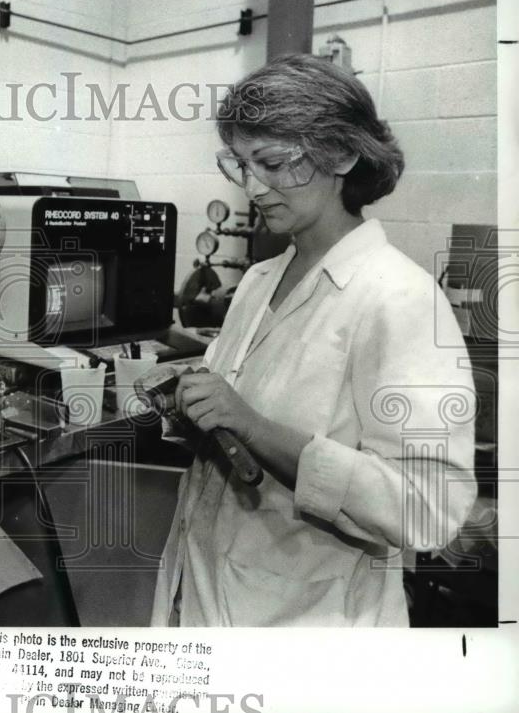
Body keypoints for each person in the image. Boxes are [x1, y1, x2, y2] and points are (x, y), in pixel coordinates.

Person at [151, 53, 477, 627]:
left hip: (309, 628)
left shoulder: (398, 297)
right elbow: (237, 427)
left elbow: (428, 508)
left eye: (273, 163)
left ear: (343, 154)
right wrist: (195, 410)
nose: (254, 187)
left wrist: (256, 426)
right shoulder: (258, 280)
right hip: (204, 596)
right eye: (242, 165)